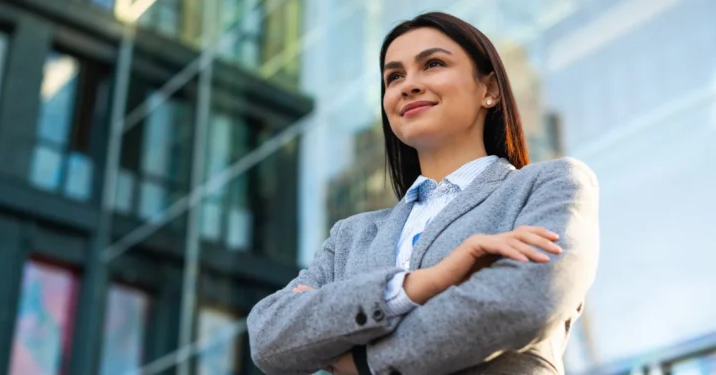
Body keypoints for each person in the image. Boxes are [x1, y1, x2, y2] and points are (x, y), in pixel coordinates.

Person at [247, 11, 599, 375]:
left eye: (432, 64)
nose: (407, 85)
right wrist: (413, 287)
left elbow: (524, 302)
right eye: (394, 76)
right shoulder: (350, 237)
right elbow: (269, 337)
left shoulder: (550, 185)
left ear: (489, 89)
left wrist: (363, 358)